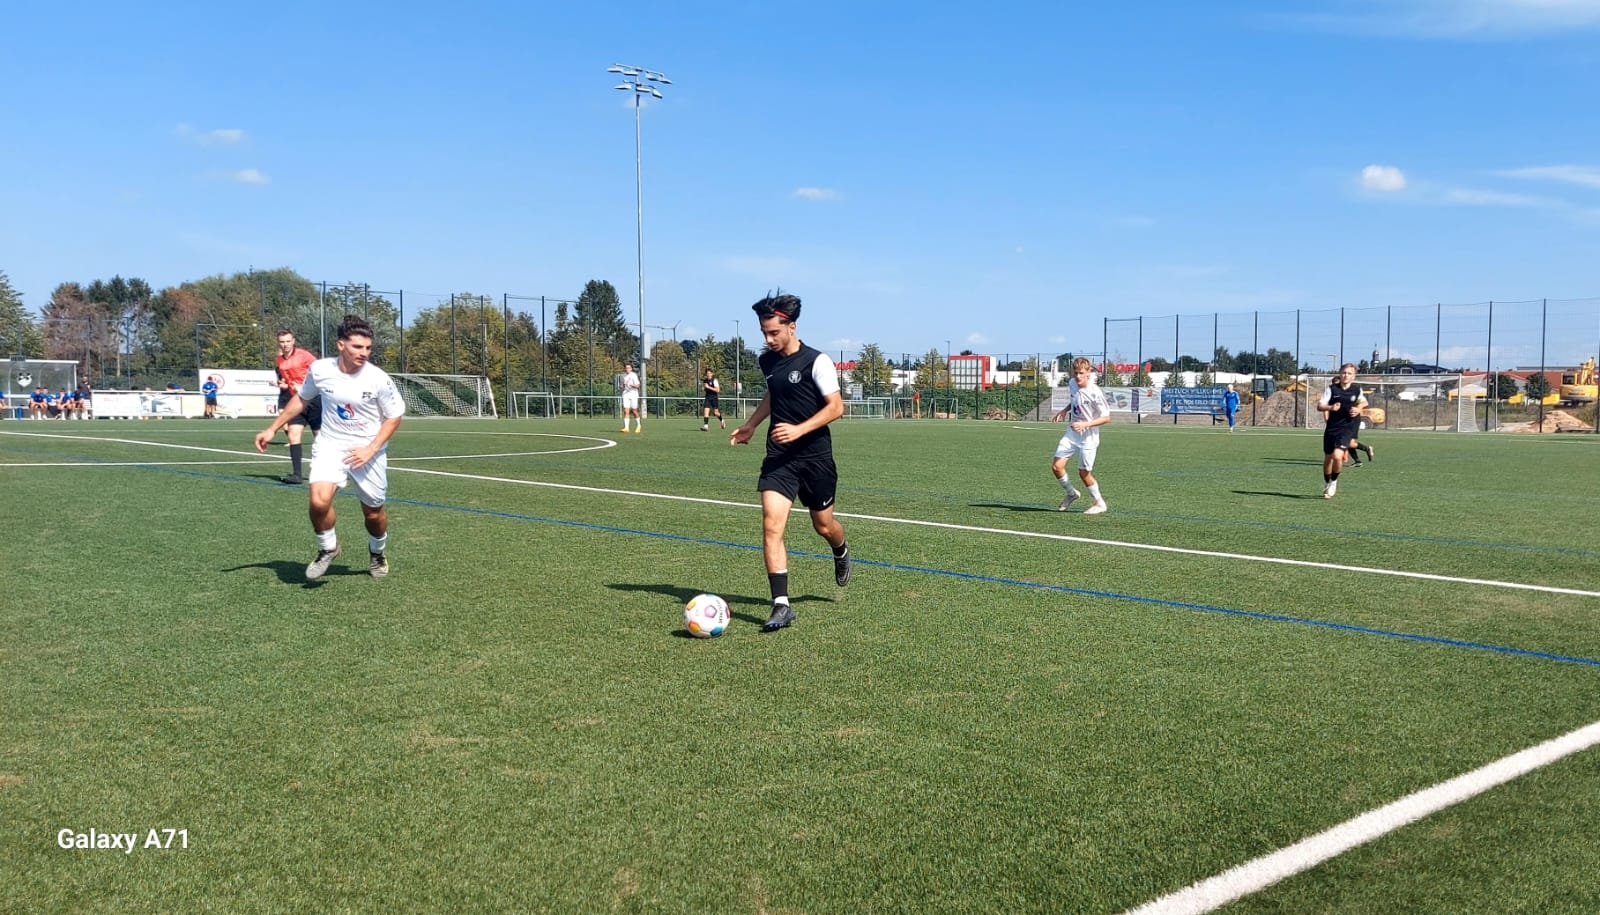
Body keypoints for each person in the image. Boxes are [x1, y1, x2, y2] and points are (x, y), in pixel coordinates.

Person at [730, 292, 851, 632]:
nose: (768, 339)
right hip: (780, 457)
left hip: (815, 458)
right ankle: (782, 605)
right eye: (764, 332)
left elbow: (836, 408)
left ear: (792, 326)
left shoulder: (817, 361)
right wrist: (752, 425)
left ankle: (840, 550)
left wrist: (799, 429)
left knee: (823, 525)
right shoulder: (767, 362)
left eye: (774, 332)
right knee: (771, 525)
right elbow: (774, 393)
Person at [254, 315, 406, 580]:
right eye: (357, 347)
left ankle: (377, 552)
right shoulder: (320, 370)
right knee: (318, 500)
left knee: (373, 513)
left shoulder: (378, 379)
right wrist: (272, 428)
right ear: (340, 345)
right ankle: (328, 548)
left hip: (367, 451)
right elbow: (302, 399)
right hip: (331, 445)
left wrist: (371, 449)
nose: (364, 353)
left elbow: (394, 417)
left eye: (368, 348)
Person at [1051, 357, 1113, 514]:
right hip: (1072, 434)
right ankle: (1071, 493)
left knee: (1084, 473)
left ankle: (1100, 503)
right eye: (1076, 373)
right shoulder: (1072, 383)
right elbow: (1075, 400)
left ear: (1089, 373)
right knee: (1057, 467)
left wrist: (1085, 424)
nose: (1078, 376)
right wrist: (1064, 410)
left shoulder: (1095, 392)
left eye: (1081, 373)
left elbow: (1106, 418)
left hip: (1088, 437)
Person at [274, 329, 321, 484]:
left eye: (288, 341)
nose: (285, 344)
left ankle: (330, 471)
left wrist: (306, 384)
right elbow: (287, 381)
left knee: (320, 438)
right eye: (282, 342)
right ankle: (297, 475)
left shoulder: (305, 355)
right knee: (293, 435)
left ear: (293, 341)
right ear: (278, 343)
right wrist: (285, 385)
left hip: (314, 400)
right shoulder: (279, 360)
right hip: (296, 401)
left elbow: (320, 372)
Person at [1316, 363, 1368, 498]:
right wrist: (1331, 408)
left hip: (1347, 427)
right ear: (1340, 374)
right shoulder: (1332, 389)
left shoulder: (1356, 389)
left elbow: (1364, 402)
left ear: (1354, 376)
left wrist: (1359, 408)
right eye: (1344, 373)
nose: (1346, 375)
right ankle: (1327, 482)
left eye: (1349, 373)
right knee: (1328, 458)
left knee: (1337, 456)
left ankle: (1334, 482)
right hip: (1332, 427)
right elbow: (1320, 406)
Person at [619, 362, 642, 433]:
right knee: (626, 411)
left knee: (634, 411)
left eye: (629, 368)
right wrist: (622, 385)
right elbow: (622, 387)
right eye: (626, 368)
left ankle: (639, 425)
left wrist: (632, 385)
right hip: (626, 394)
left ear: (631, 368)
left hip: (633, 395)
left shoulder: (633, 375)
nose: (627, 369)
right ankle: (626, 428)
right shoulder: (624, 376)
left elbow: (638, 385)